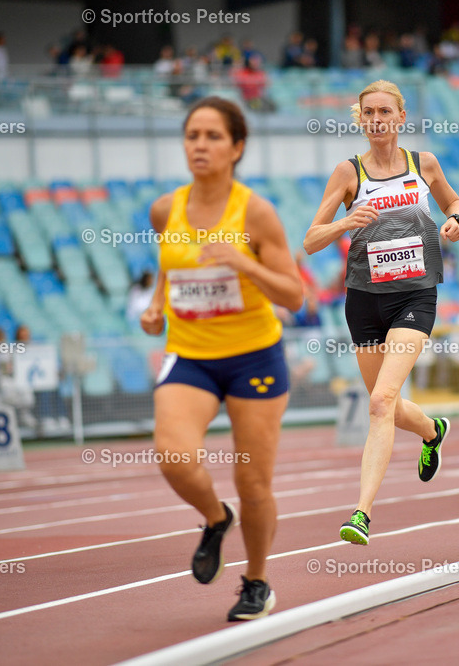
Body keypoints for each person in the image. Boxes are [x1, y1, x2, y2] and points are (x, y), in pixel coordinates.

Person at [141, 96, 303, 622]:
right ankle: (215, 518)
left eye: (213, 136)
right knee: (174, 456)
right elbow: (172, 262)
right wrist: (155, 303)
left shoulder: (255, 211)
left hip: (253, 356)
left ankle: (257, 581)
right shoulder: (166, 208)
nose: (200, 145)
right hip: (190, 354)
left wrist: (243, 262)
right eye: (193, 136)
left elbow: (294, 295)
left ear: (236, 147)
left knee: (253, 481)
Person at [303, 79, 459, 545]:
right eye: (368, 112)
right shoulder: (347, 173)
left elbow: (452, 202)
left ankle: (361, 514)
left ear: (400, 117)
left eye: (384, 111)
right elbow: (310, 241)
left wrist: (455, 220)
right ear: (360, 118)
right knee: (386, 407)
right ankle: (433, 430)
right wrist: (343, 222)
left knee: (379, 403)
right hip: (364, 301)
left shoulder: (424, 164)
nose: (376, 119)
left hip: (415, 295)